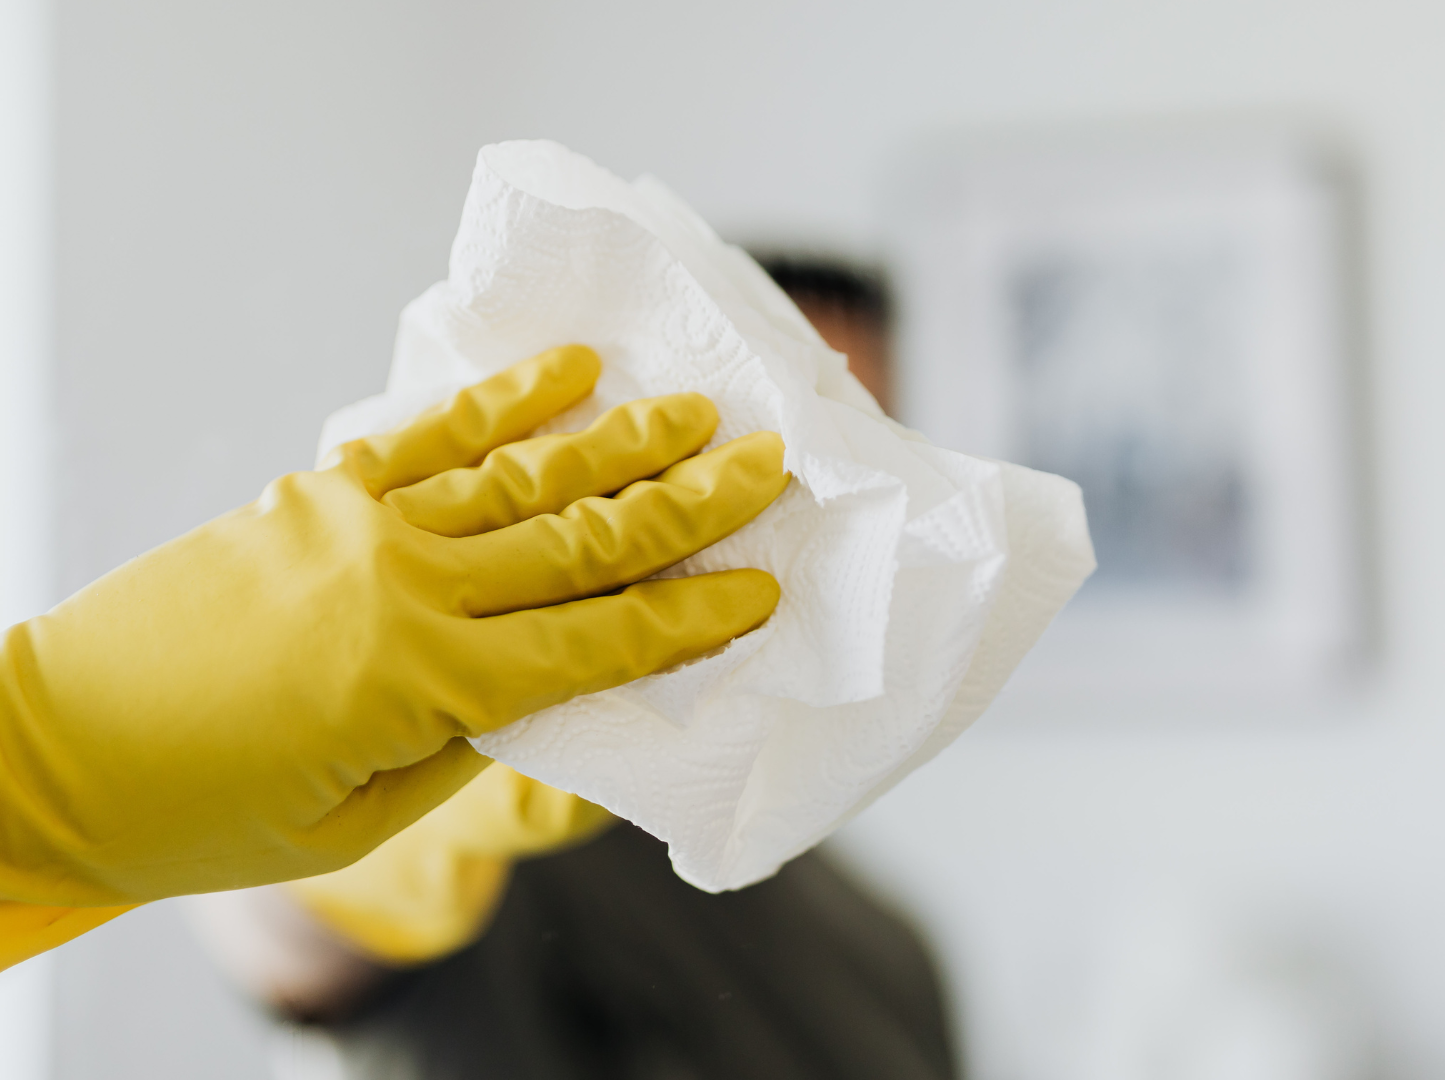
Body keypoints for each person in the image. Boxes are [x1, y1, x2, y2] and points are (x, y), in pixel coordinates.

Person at [0, 344, 790, 1070]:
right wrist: (47, 739)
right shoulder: (496, 813)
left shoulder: (878, 948)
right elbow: (283, 944)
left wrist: (30, 749)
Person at [191, 255, 960, 1080]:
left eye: (867, 465)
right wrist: (361, 829)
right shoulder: (503, 846)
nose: (819, 512)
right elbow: (287, 940)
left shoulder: (889, 948)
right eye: (779, 450)